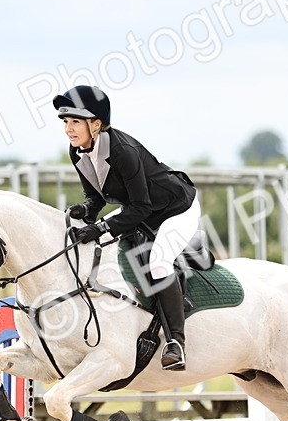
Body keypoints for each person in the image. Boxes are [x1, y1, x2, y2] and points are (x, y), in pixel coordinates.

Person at [53, 85, 200, 371]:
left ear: (96, 124)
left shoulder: (122, 151)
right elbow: (96, 197)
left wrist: (100, 229)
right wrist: (85, 210)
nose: (69, 130)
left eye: (75, 122)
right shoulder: (77, 151)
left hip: (175, 209)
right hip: (143, 210)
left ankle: (176, 343)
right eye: (66, 122)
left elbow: (141, 207)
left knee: (158, 263)